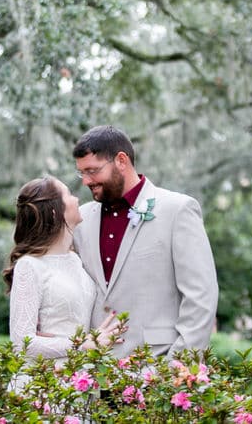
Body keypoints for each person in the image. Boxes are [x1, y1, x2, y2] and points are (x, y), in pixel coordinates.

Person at [71, 125, 219, 359]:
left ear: (121, 160)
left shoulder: (177, 210)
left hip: (157, 368)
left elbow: (201, 297)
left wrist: (177, 369)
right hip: (95, 377)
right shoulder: (80, 219)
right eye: (82, 173)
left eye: (93, 170)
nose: (86, 181)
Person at [3, 176, 123, 362]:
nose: (77, 199)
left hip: (77, 379)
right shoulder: (30, 265)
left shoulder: (76, 260)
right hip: (43, 382)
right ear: (54, 212)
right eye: (68, 195)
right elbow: (21, 344)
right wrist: (81, 344)